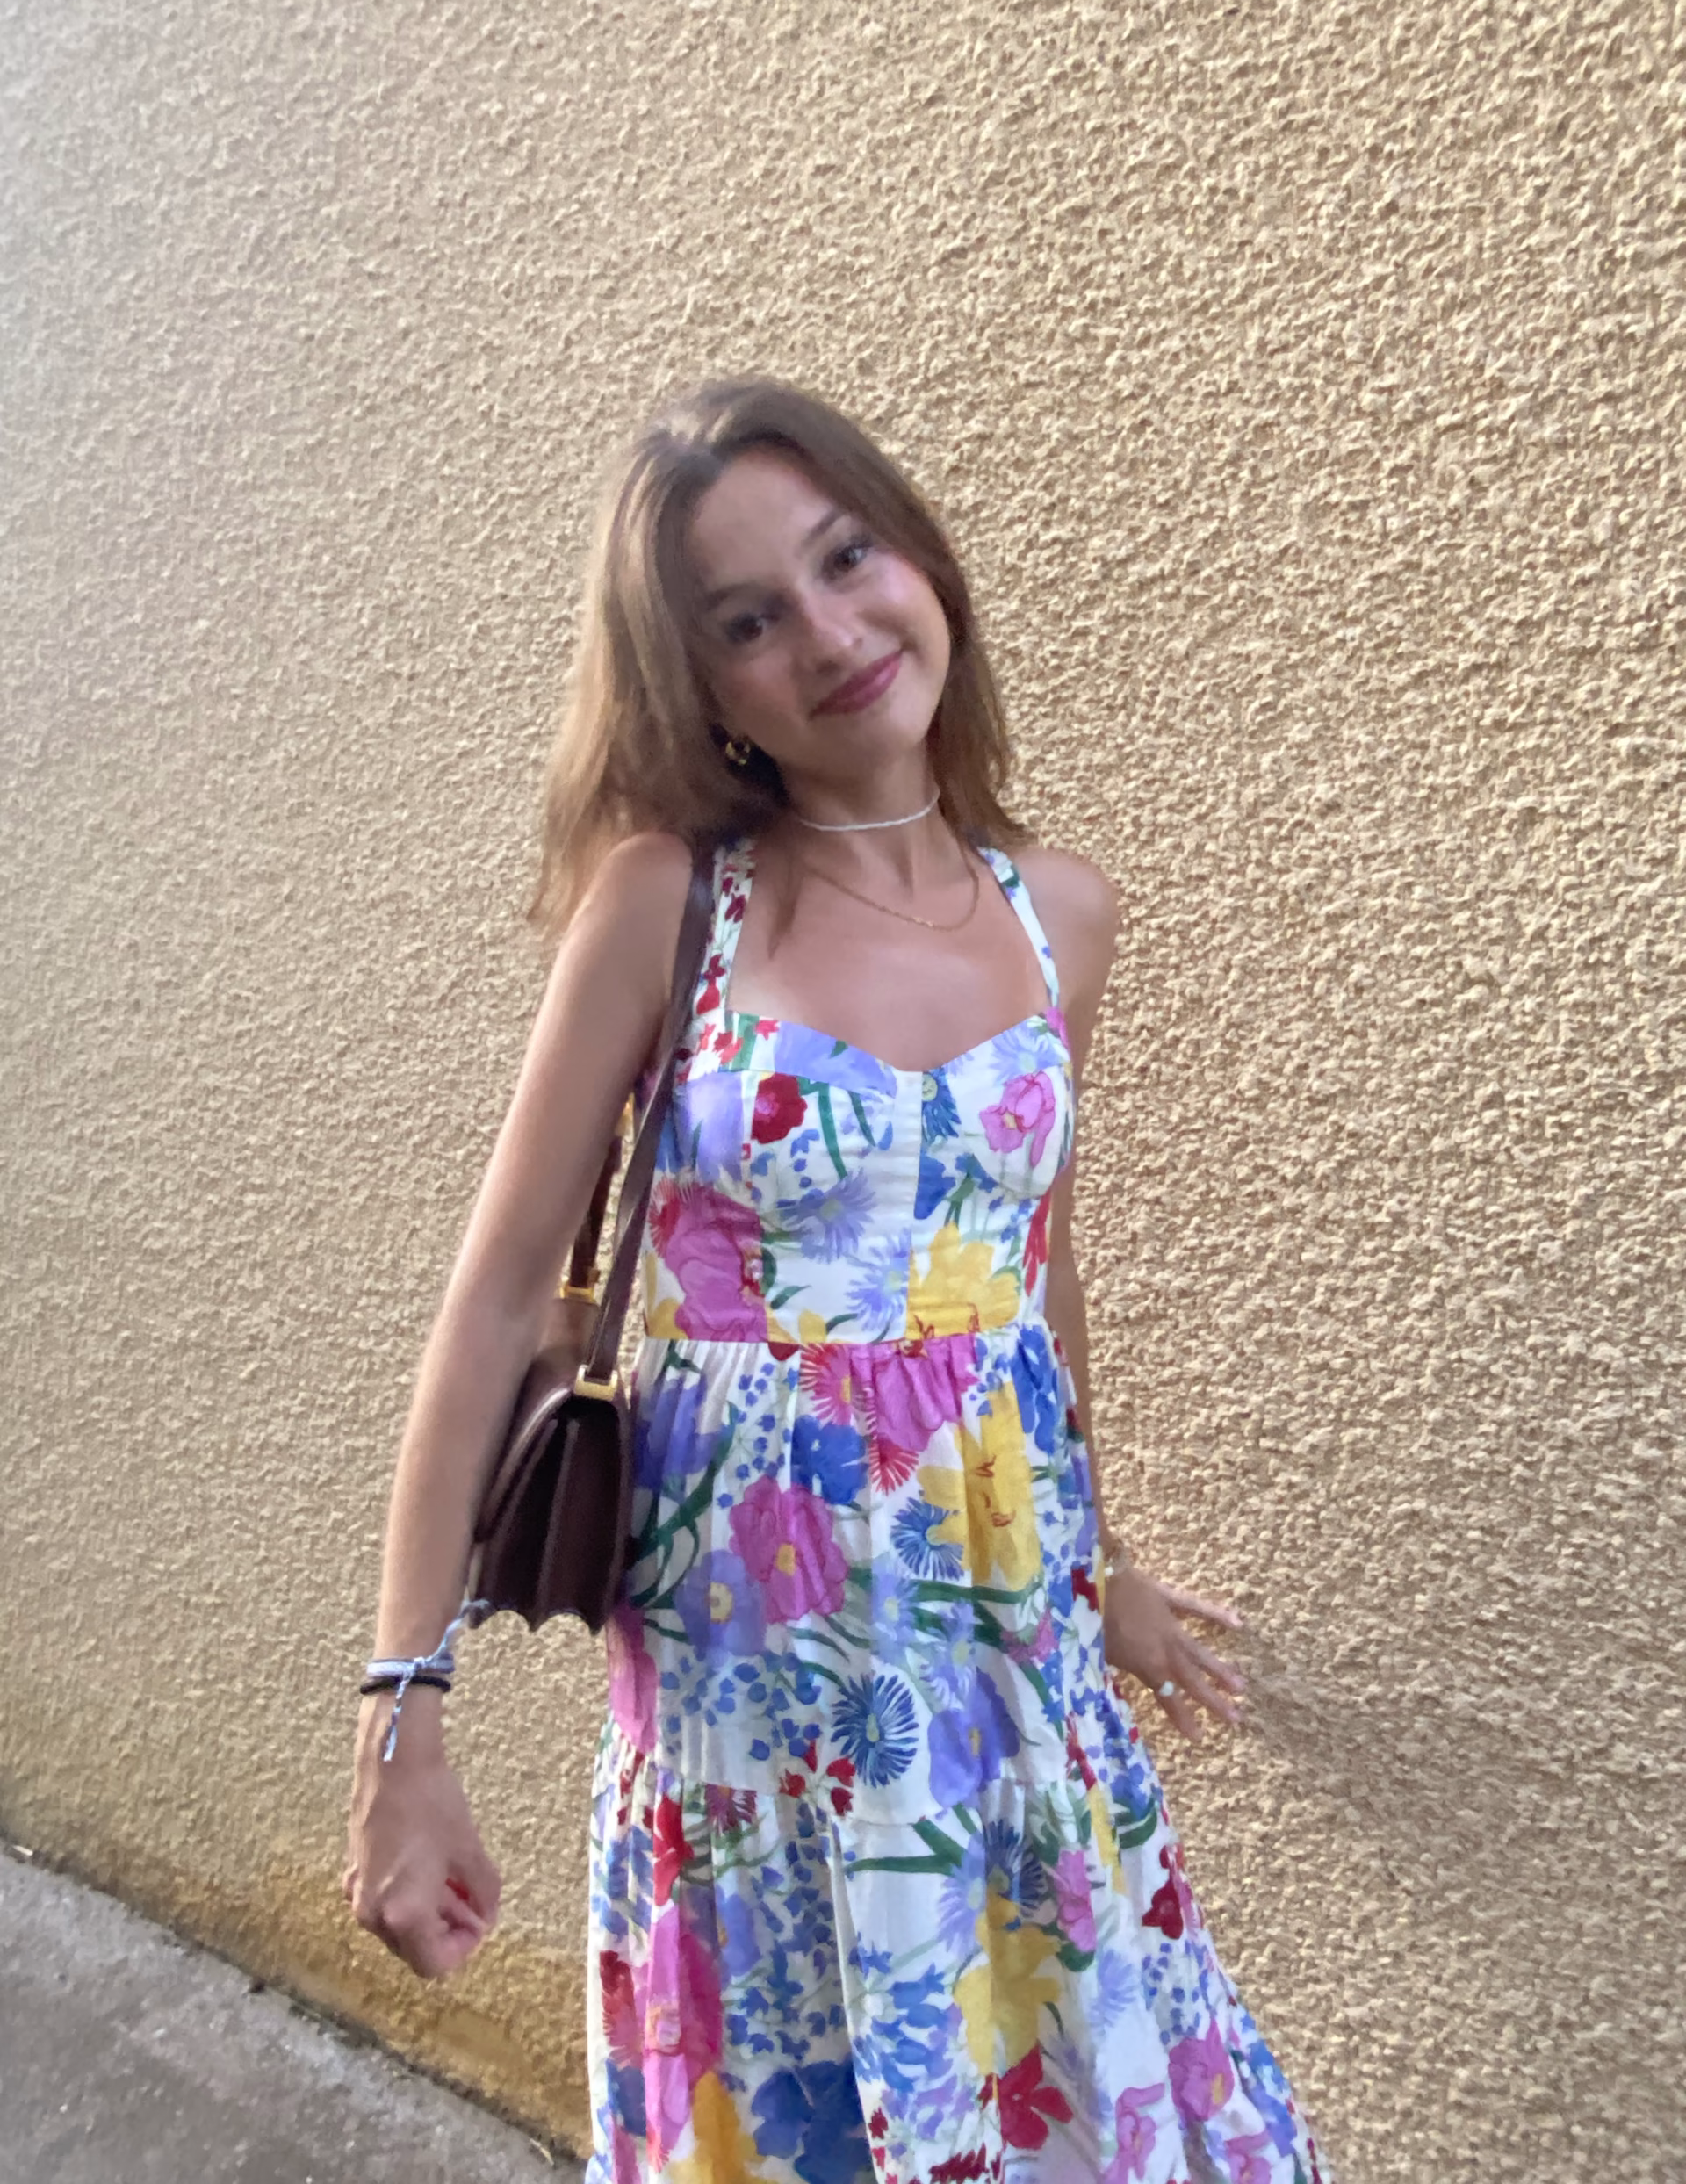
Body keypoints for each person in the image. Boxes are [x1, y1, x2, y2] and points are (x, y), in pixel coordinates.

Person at [345, 378, 1327, 2183]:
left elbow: (1031, 1269)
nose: (828, 631)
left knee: (1068, 2084)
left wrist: (1102, 1562)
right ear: (702, 690)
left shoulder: (1060, 912)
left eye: (846, 556)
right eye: (747, 620)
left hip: (1002, 1654)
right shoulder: (669, 902)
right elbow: (494, 1304)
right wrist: (403, 1724)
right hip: (752, 1694)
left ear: (920, 559)